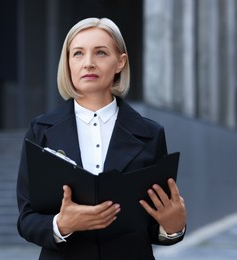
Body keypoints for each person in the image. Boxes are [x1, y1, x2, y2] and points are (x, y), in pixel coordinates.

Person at [16, 17, 186, 260]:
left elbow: (155, 222)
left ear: (120, 62)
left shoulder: (151, 133)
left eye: (101, 53)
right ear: (68, 64)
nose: (88, 63)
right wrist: (62, 224)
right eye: (78, 54)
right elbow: (26, 219)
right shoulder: (40, 130)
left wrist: (174, 227)